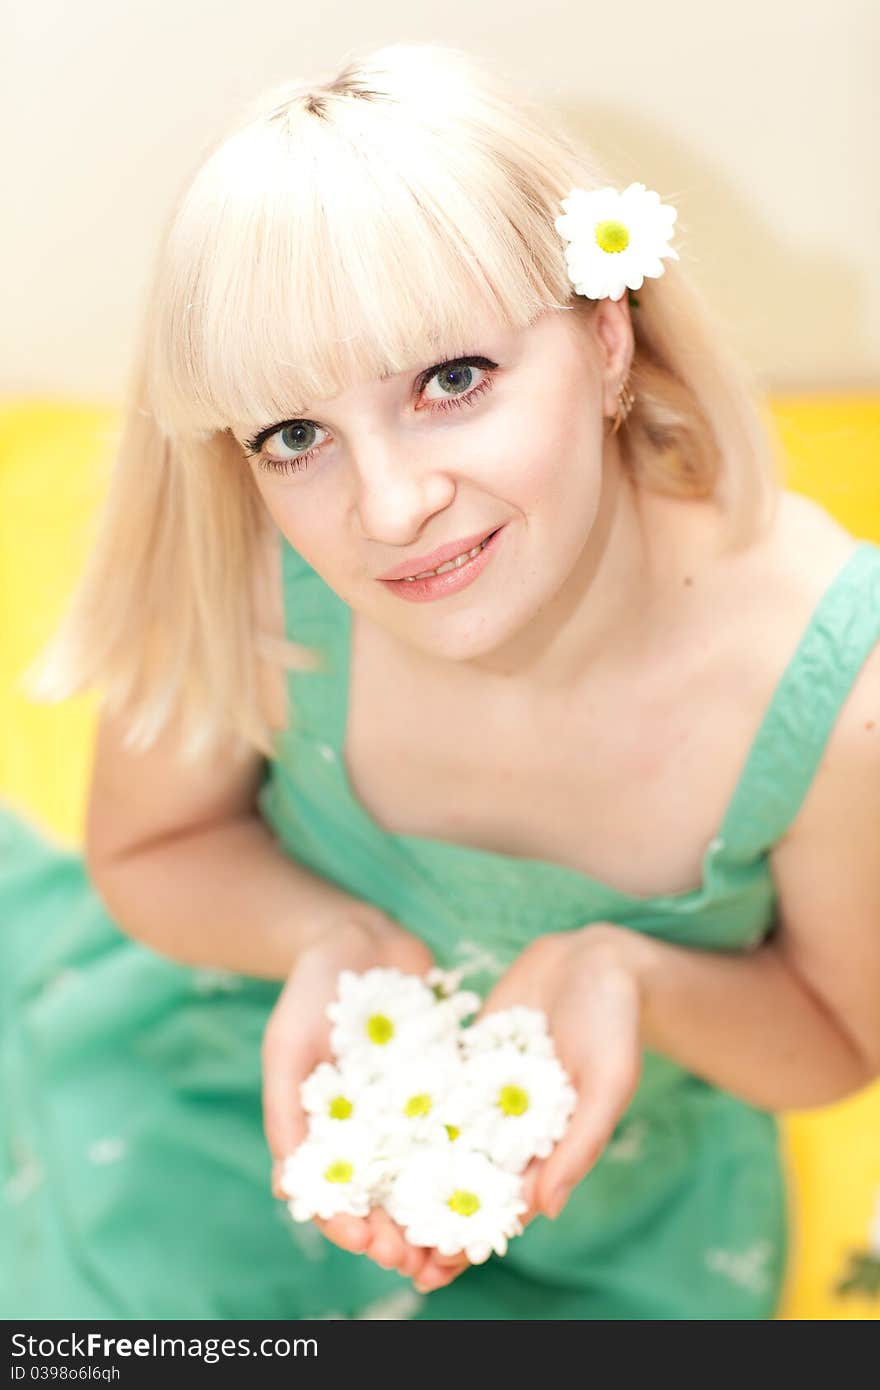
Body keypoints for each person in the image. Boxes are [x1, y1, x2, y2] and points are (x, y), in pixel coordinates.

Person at [3, 39, 879, 1322]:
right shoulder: (256, 568)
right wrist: (327, 937)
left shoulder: (836, 701)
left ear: (607, 338)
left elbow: (837, 1035)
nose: (391, 506)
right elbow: (153, 844)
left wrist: (631, 978)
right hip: (208, 1075)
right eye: (295, 435)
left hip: (606, 1208)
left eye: (451, 379)